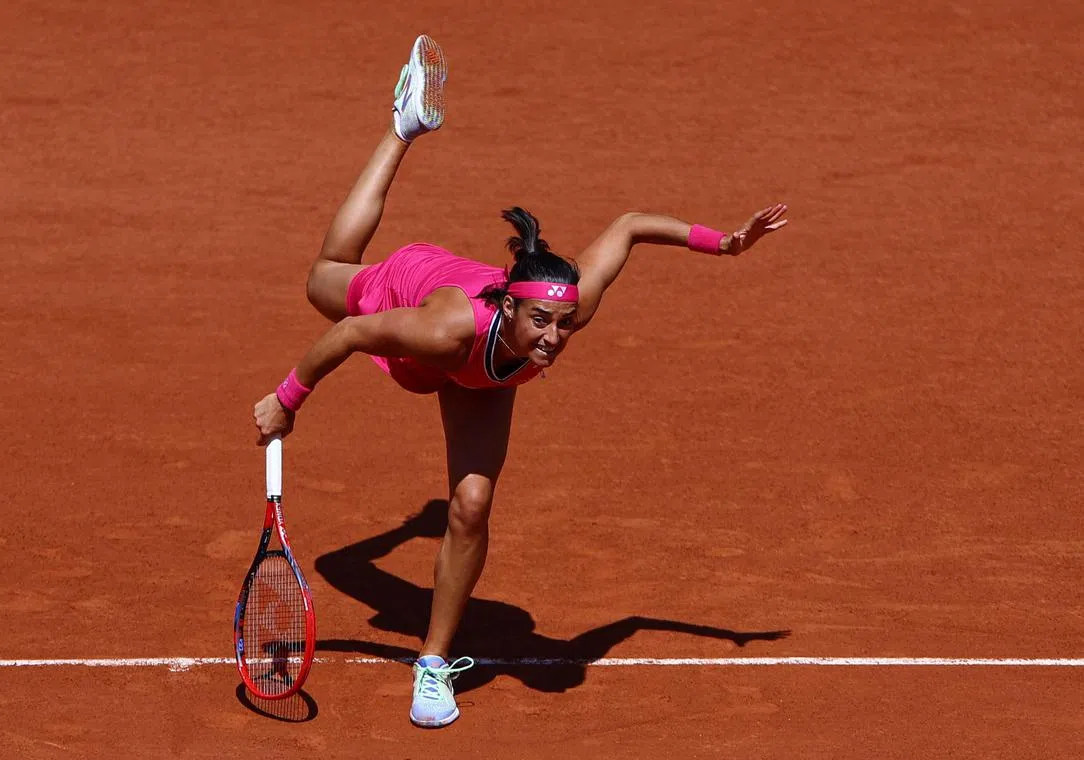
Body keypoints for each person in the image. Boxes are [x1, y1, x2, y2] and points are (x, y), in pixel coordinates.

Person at [253, 33, 788, 729]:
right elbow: (352, 334)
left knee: (471, 506)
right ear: (509, 308)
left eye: (562, 325)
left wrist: (728, 244)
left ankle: (433, 665)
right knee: (324, 278)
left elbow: (629, 226)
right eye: (540, 322)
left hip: (480, 375)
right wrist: (286, 400)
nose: (554, 339)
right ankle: (402, 128)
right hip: (414, 293)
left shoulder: (564, 311)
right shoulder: (441, 328)